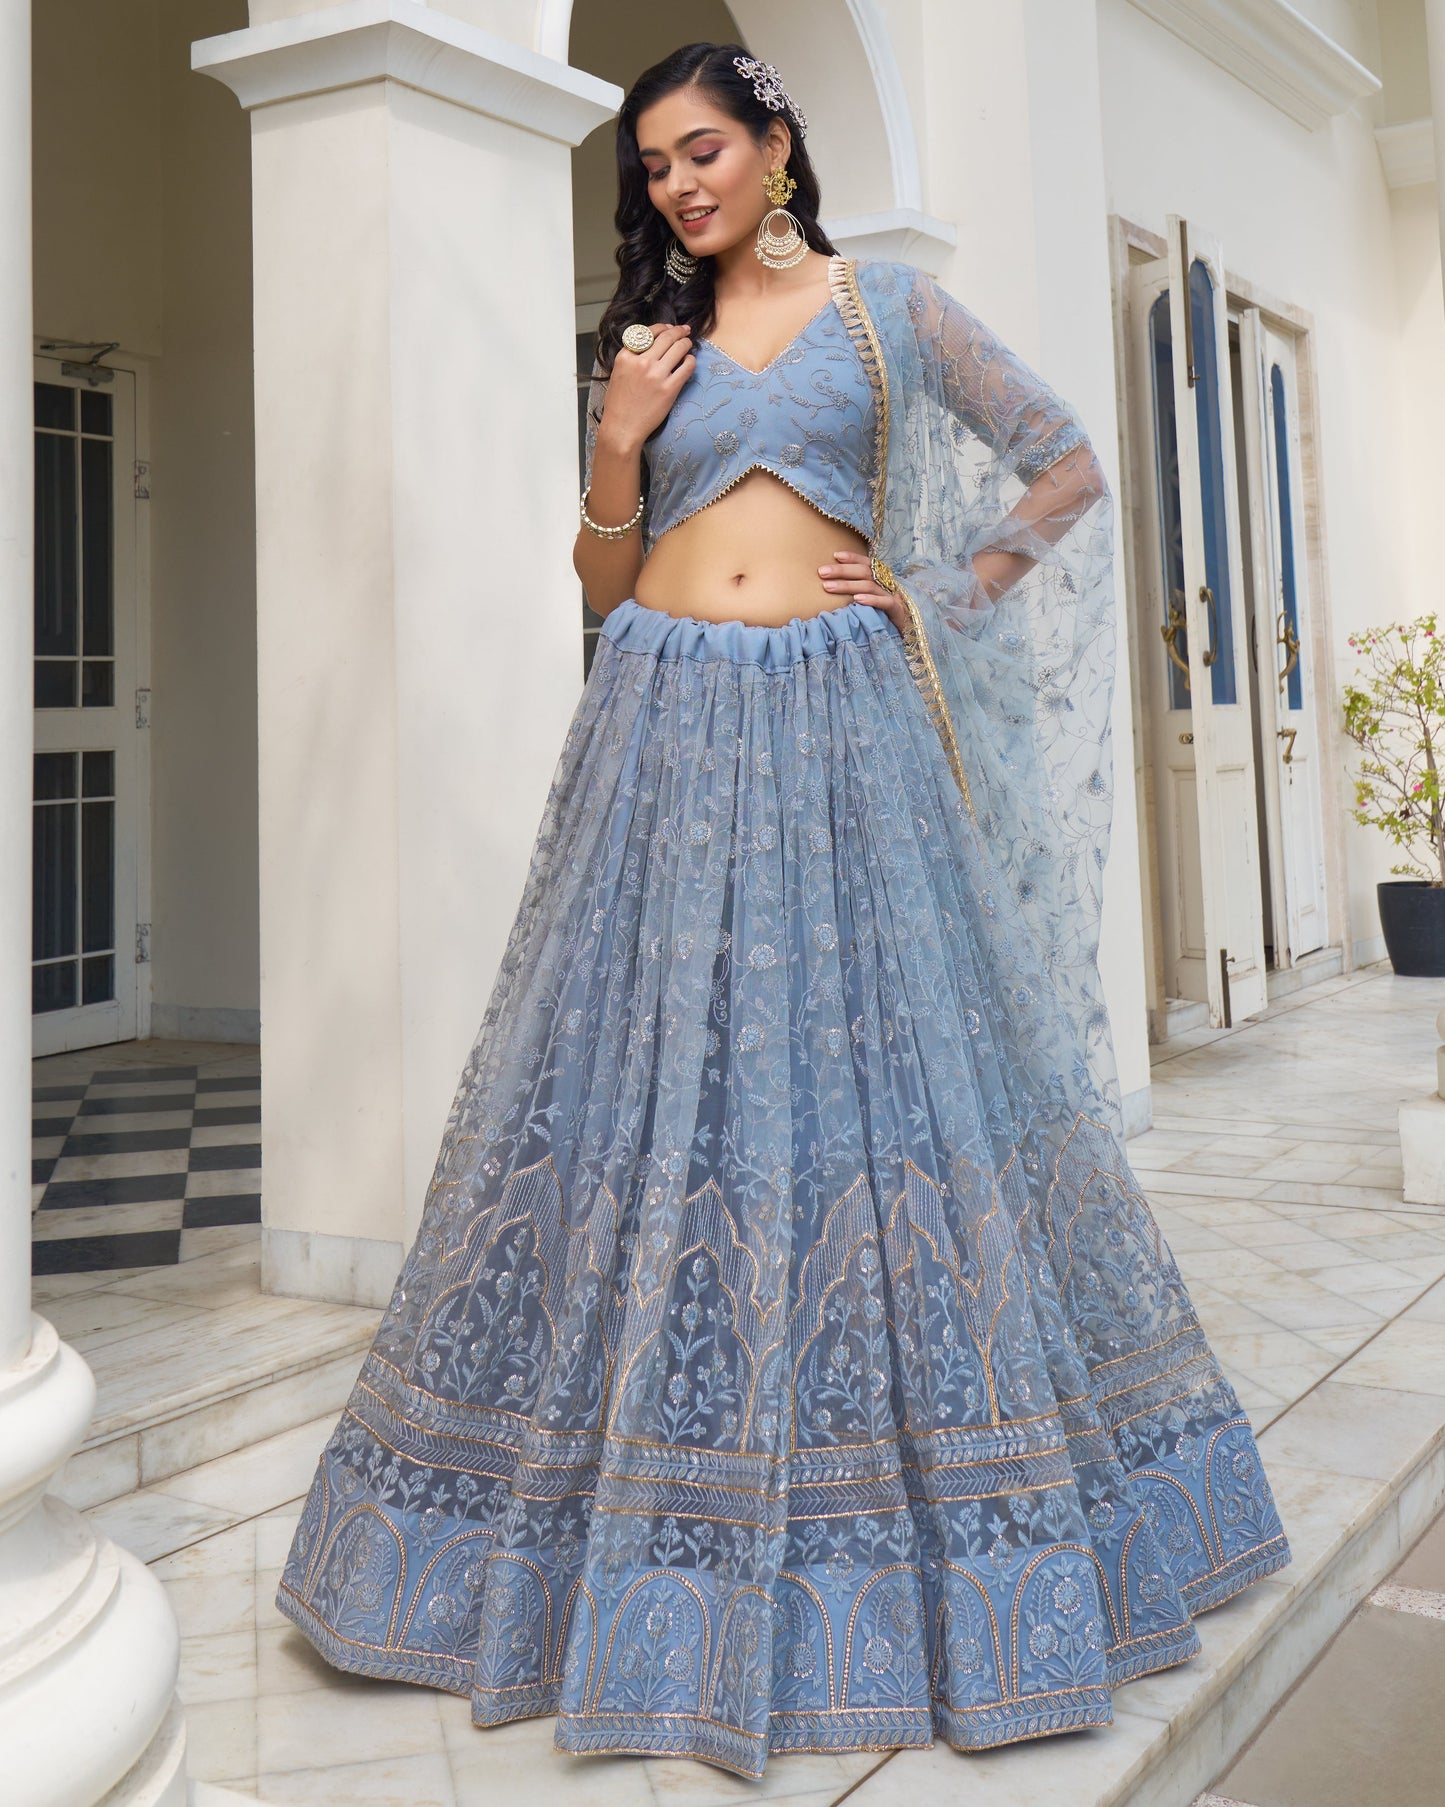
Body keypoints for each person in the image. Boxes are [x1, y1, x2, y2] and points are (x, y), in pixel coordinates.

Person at [276, 41, 1290, 1778]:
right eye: (654, 169)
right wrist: (616, 439)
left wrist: (939, 584)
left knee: (867, 1097)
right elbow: (595, 580)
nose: (679, 187)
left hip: (838, 717)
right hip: (660, 715)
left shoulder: (888, 310)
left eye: (702, 151)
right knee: (639, 1093)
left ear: (776, 143)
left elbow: (1060, 462)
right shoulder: (649, 352)